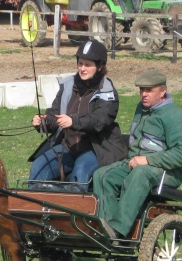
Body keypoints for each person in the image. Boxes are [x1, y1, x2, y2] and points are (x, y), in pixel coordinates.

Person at [92, 69, 182, 240]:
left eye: (149, 90)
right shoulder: (142, 109)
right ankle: (104, 226)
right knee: (103, 175)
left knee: (140, 174)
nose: (143, 94)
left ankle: (118, 230)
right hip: (135, 163)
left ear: (163, 92)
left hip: (165, 172)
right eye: (141, 90)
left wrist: (147, 160)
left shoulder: (176, 117)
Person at [27, 40, 127, 191]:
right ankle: (36, 211)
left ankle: (76, 213)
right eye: (80, 64)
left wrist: (73, 121)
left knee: (80, 173)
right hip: (67, 146)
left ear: (100, 67)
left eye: (88, 65)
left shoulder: (107, 90)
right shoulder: (67, 85)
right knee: (39, 167)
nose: (82, 68)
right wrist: (43, 121)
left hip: (96, 148)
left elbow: (100, 120)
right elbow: (55, 115)